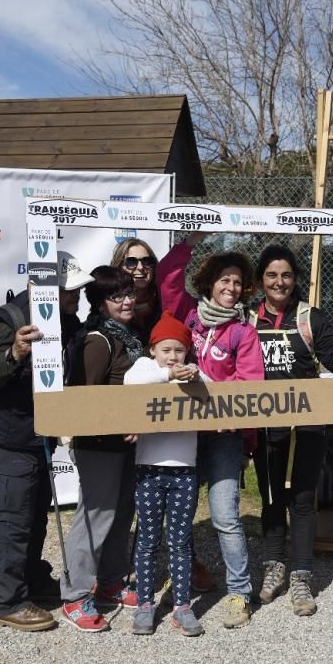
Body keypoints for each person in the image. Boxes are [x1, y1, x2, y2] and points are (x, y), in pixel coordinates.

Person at [250, 244, 333, 615]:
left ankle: (301, 579)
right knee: (272, 497)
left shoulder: (311, 317)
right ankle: (273, 568)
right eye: (272, 275)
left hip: (307, 425)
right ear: (261, 279)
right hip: (265, 426)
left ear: (295, 279)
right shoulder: (246, 317)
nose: (279, 282)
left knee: (303, 501)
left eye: (286, 275)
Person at [0, 251, 91, 632]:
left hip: (37, 434)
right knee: (12, 517)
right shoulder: (10, 321)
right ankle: (6, 600)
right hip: (7, 435)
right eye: (70, 291)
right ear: (47, 291)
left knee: (35, 511)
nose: (77, 297)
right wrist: (14, 353)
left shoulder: (65, 321)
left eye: (78, 290)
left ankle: (34, 580)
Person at [158, 232, 264, 629]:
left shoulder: (243, 331)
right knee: (177, 516)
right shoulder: (188, 314)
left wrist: (206, 386)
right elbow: (168, 277)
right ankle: (183, 583)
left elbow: (250, 386)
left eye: (237, 282)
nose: (231, 288)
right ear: (209, 283)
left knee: (225, 516)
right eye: (224, 280)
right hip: (183, 433)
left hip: (223, 436)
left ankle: (240, 593)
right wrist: (189, 242)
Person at [110, 236, 217, 595]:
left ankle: (183, 570)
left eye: (146, 261)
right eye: (130, 262)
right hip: (121, 416)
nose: (139, 268)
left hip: (172, 429)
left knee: (177, 514)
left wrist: (189, 238)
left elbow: (172, 277)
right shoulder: (107, 304)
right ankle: (115, 574)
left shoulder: (165, 305)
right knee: (124, 502)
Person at [59, 266, 145, 632]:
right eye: (117, 296)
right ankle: (75, 595)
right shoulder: (97, 339)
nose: (127, 301)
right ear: (100, 302)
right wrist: (118, 422)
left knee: (121, 513)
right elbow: (84, 399)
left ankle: (110, 582)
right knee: (95, 515)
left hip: (126, 443)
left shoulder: (127, 335)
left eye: (130, 293)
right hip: (99, 444)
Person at [125, 311, 210, 637]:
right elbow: (131, 382)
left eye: (179, 350)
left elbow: (216, 391)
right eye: (166, 350)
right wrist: (167, 374)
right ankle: (145, 605)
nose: (173, 356)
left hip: (184, 472)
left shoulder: (192, 373)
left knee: (179, 541)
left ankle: (182, 606)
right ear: (153, 351)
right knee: (147, 540)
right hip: (148, 469)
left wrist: (195, 376)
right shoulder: (146, 369)